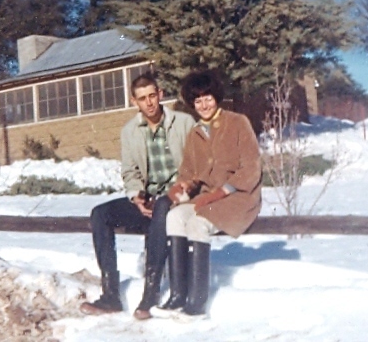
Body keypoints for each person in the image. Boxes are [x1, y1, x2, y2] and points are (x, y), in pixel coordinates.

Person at [80, 72, 196, 320]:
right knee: (100, 214)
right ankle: (110, 295)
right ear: (135, 101)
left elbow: (196, 166)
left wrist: (179, 191)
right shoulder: (130, 131)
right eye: (142, 98)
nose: (149, 103)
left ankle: (150, 296)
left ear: (161, 95)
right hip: (152, 199)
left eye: (153, 96)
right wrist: (136, 197)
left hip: (180, 199)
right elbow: (130, 171)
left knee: (163, 207)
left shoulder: (184, 123)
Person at [152, 69, 262, 320]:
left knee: (198, 223)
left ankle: (197, 302)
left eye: (208, 97)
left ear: (217, 96)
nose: (204, 104)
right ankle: (179, 295)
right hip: (208, 197)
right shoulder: (196, 133)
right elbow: (189, 173)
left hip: (238, 196)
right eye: (197, 100)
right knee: (175, 217)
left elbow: (251, 167)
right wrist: (182, 188)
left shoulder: (237, 122)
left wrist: (222, 191)